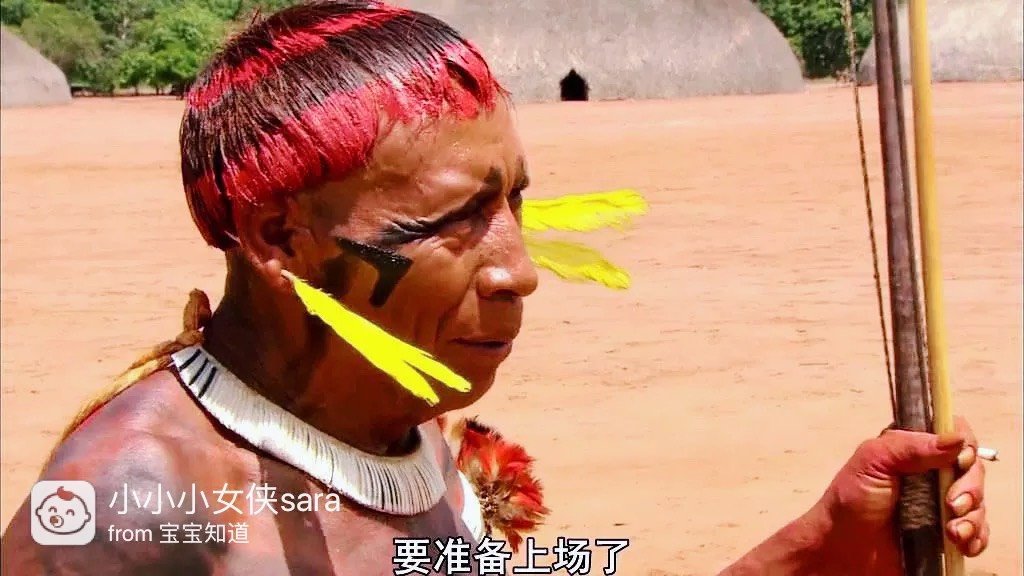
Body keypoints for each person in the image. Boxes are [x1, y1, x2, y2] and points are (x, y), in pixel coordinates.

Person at [0, 2, 989, 575]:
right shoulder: (131, 507)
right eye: (455, 220)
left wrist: (825, 546)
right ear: (278, 239)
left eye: (515, 203)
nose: (520, 271)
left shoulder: (397, 425)